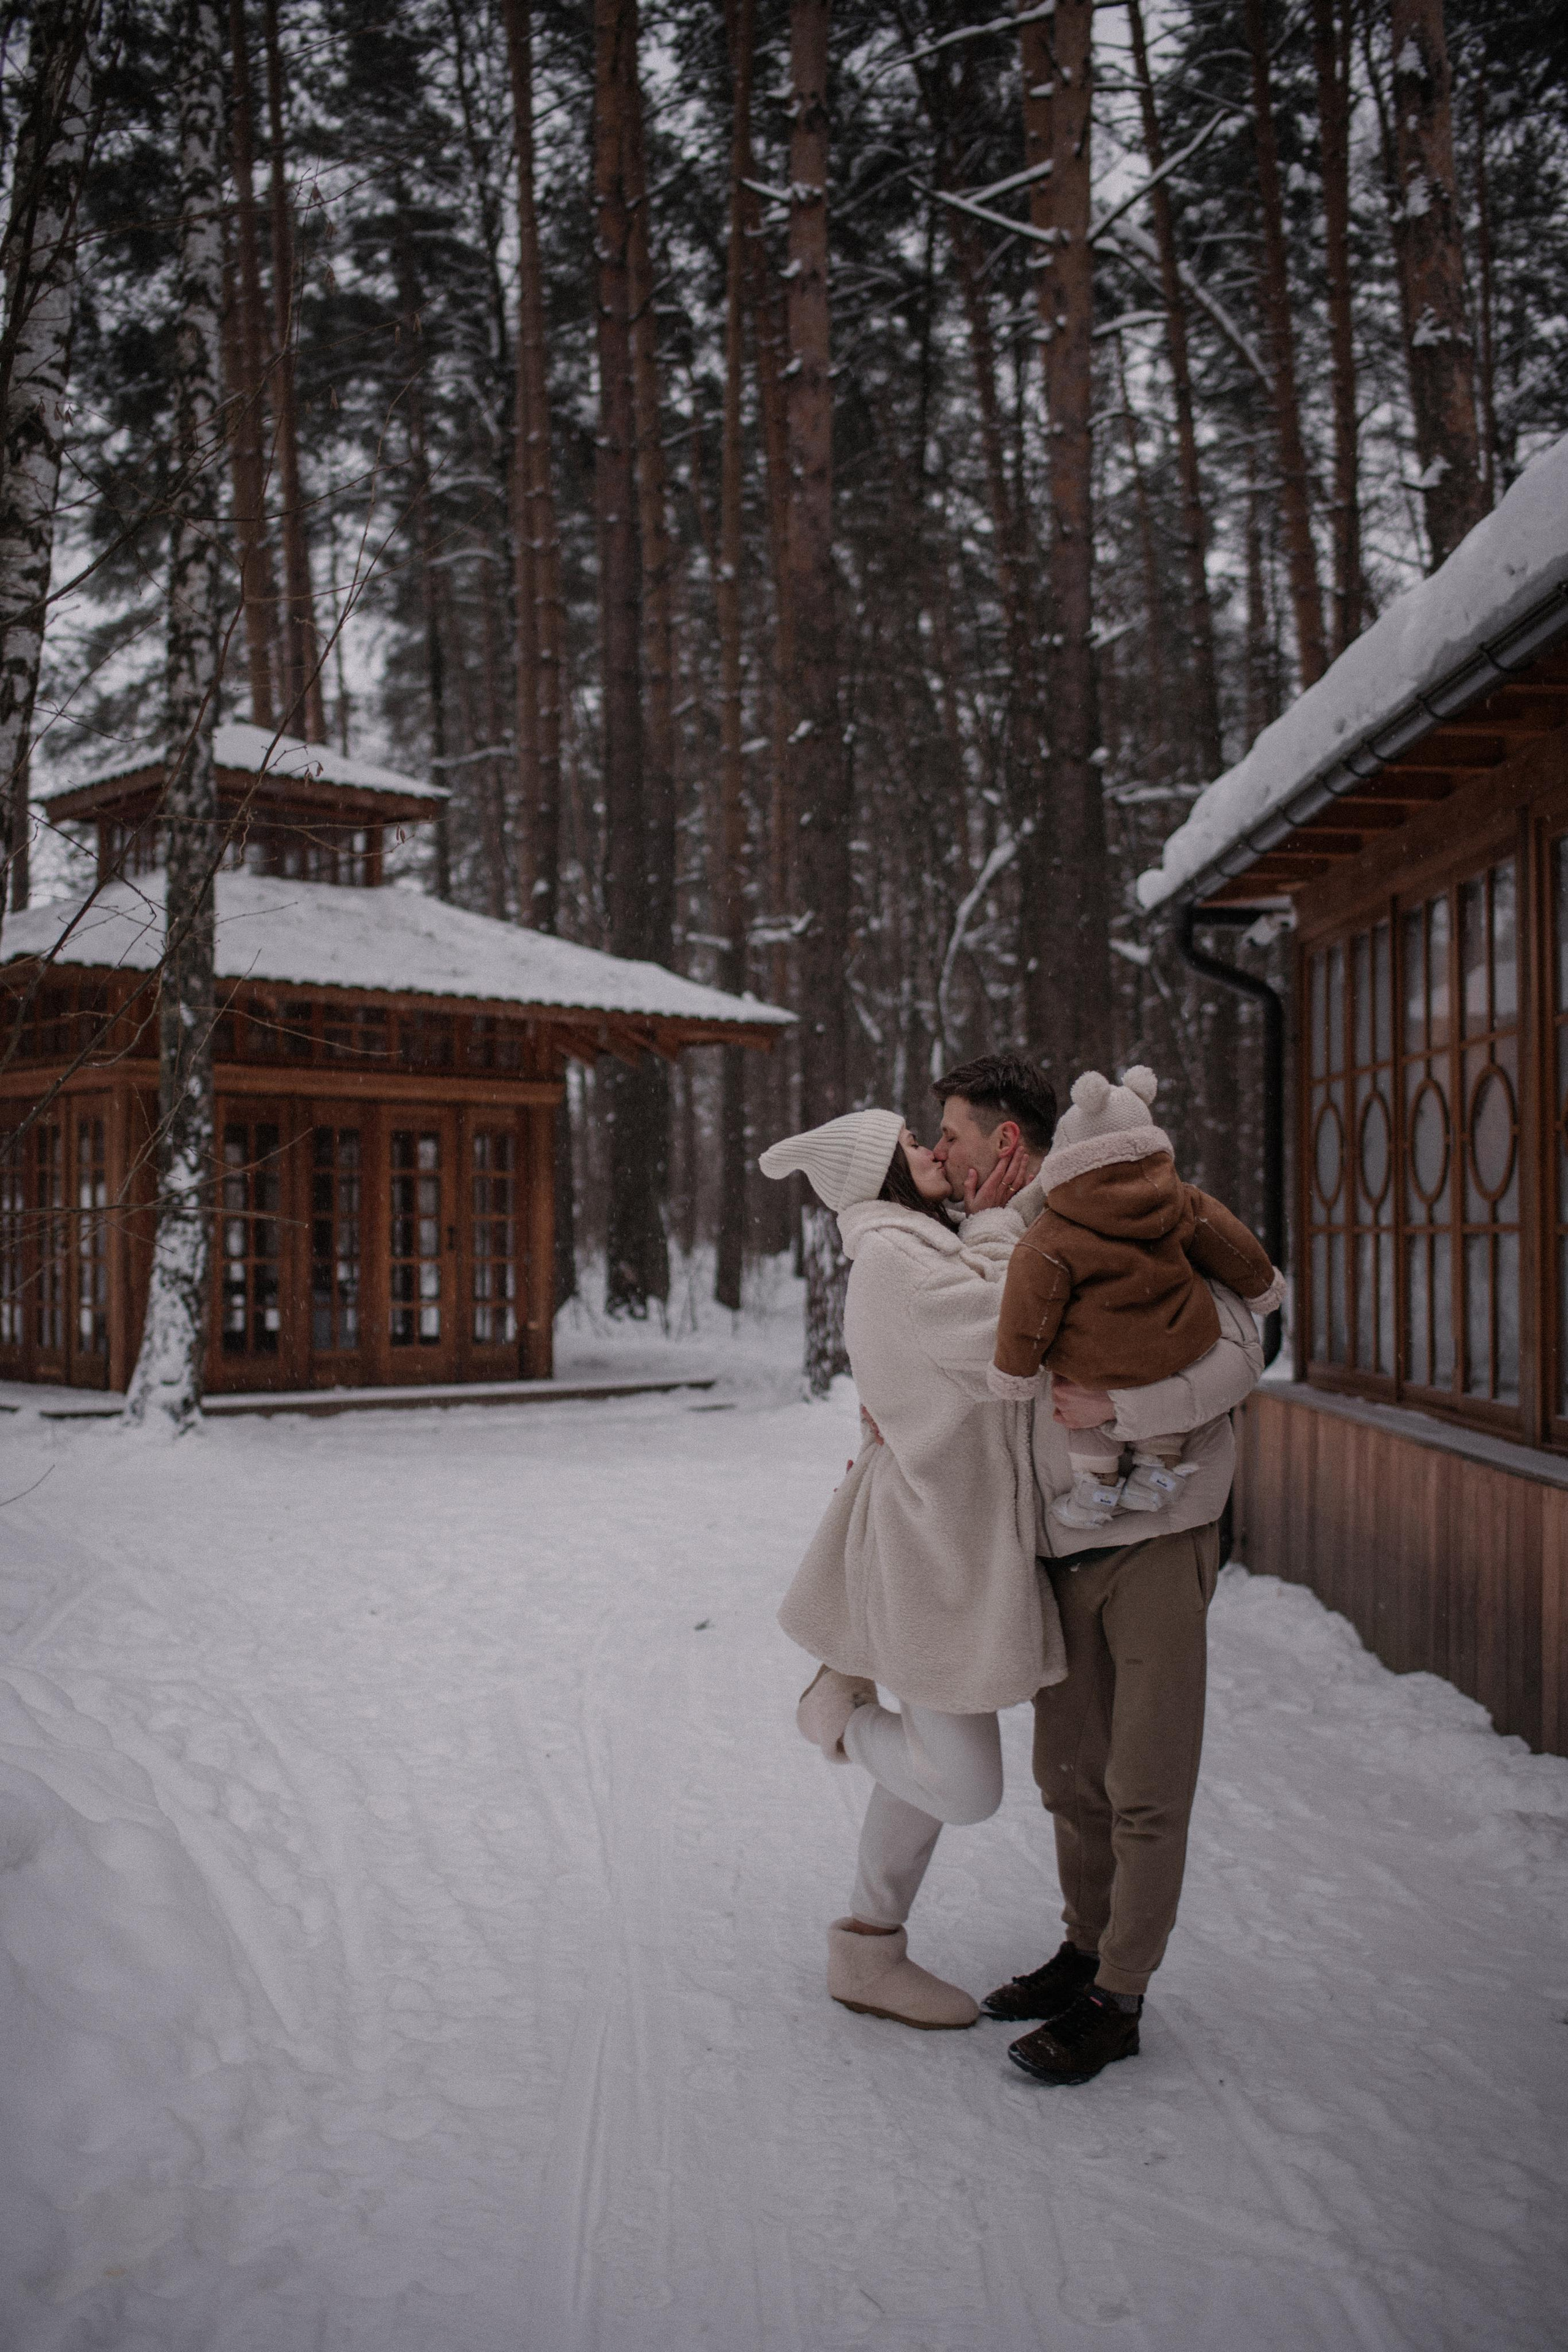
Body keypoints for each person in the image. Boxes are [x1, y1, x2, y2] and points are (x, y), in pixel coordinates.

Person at [929, 1054, 1267, 2087]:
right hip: (1059, 1543)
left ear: (1009, 1142)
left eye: (953, 1132)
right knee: (1069, 1775)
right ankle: (1084, 1951)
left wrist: (1124, 1416)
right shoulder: (999, 1243)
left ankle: (1119, 1999)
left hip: (1161, 1536)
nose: (940, 1150)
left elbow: (1246, 1340)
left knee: (1145, 1781)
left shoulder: (1141, 1205)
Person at [758, 1105, 1060, 2030]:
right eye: (910, 1147)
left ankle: (867, 1951)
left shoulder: (913, 1244)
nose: (933, 1150)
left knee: (933, 1769)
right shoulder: (893, 1257)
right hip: (931, 1555)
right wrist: (1005, 1226)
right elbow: (1009, 1334)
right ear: (875, 1177)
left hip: (955, 1545)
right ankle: (840, 1717)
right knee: (966, 1788)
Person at [989, 1065, 1284, 1531]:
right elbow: (1231, 1242)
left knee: (1080, 1407)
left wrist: (1014, 1372)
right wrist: (1263, 1287)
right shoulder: (1181, 1201)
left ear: (1068, 1153)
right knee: (1161, 1398)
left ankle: (1095, 1487)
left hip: (1096, 1360)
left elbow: (1030, 1306)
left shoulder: (1054, 1232)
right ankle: (1159, 1469)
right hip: (1178, 1344)